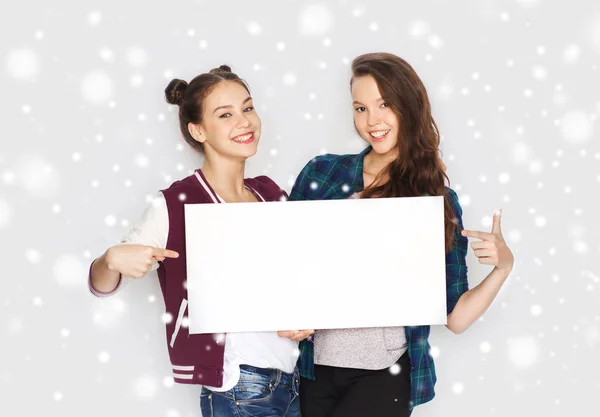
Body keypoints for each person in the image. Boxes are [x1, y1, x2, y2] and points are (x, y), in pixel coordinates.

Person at [289, 52, 515, 417]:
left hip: (385, 374)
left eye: (384, 105)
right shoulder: (322, 174)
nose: (372, 121)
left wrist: (502, 268)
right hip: (316, 371)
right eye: (360, 108)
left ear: (408, 108)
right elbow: (287, 264)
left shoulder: (434, 200)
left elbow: (455, 318)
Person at [88, 65, 312, 417]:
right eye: (225, 115)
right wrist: (111, 260)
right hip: (239, 388)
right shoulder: (175, 203)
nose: (244, 121)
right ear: (198, 130)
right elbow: (101, 283)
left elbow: (293, 277)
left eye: (248, 108)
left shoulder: (271, 193)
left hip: (292, 380)